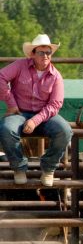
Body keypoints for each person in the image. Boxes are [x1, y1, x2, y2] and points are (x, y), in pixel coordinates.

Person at [0, 34, 73, 186]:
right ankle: (19, 168)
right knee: (6, 129)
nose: (45, 56)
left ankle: (48, 169)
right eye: (41, 52)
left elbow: (55, 104)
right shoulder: (20, 65)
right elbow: (1, 76)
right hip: (19, 111)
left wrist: (35, 120)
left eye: (48, 52)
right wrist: (11, 104)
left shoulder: (56, 76)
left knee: (65, 131)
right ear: (33, 54)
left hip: (45, 115)